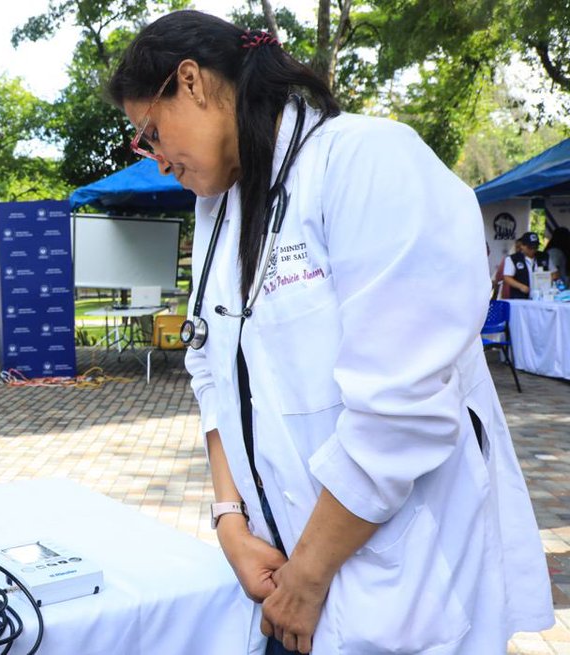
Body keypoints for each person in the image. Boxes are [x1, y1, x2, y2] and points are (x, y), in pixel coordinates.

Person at [107, 11, 550, 655]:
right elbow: (213, 376)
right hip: (281, 568)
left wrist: (309, 576)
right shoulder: (217, 210)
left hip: (391, 577)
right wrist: (231, 521)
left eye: (150, 133)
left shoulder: (366, 161)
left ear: (193, 82)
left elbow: (399, 412)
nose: (156, 161)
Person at [503, 231, 553, 299]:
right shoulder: (513, 259)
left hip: (541, 296)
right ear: (522, 246)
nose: (533, 250)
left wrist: (546, 280)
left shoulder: (544, 257)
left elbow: (555, 273)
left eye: (535, 247)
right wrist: (520, 286)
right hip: (520, 297)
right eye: (530, 247)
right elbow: (507, 277)